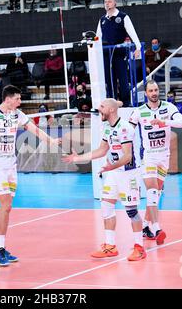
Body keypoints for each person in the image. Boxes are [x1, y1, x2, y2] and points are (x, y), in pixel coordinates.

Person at [0, 85, 60, 266]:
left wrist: (50, 141)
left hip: (11, 165)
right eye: (18, 99)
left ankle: (1, 247)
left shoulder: (18, 115)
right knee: (5, 205)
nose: (20, 102)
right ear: (8, 99)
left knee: (8, 207)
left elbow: (34, 130)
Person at [63, 98, 146, 261]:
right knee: (106, 205)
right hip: (114, 173)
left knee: (132, 212)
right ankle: (110, 246)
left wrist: (111, 167)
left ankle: (139, 247)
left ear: (112, 110)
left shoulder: (125, 128)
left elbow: (128, 156)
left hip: (128, 174)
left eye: (102, 106)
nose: (98, 109)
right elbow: (101, 150)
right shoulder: (107, 127)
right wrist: (77, 158)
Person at [129, 80, 182, 244]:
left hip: (164, 156)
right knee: (152, 191)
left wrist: (165, 122)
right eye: (151, 91)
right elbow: (127, 131)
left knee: (156, 193)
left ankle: (146, 227)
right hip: (148, 156)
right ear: (146, 93)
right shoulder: (139, 111)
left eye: (156, 90)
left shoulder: (168, 107)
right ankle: (157, 228)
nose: (154, 93)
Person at [96, 0, 141, 107]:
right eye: (105, 2)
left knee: (123, 79)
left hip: (119, 53)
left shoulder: (123, 17)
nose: (107, 4)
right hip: (107, 54)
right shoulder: (102, 20)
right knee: (109, 79)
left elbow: (132, 32)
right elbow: (97, 37)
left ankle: (126, 103)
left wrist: (138, 47)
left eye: (110, 1)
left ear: (115, 3)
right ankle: (111, 103)